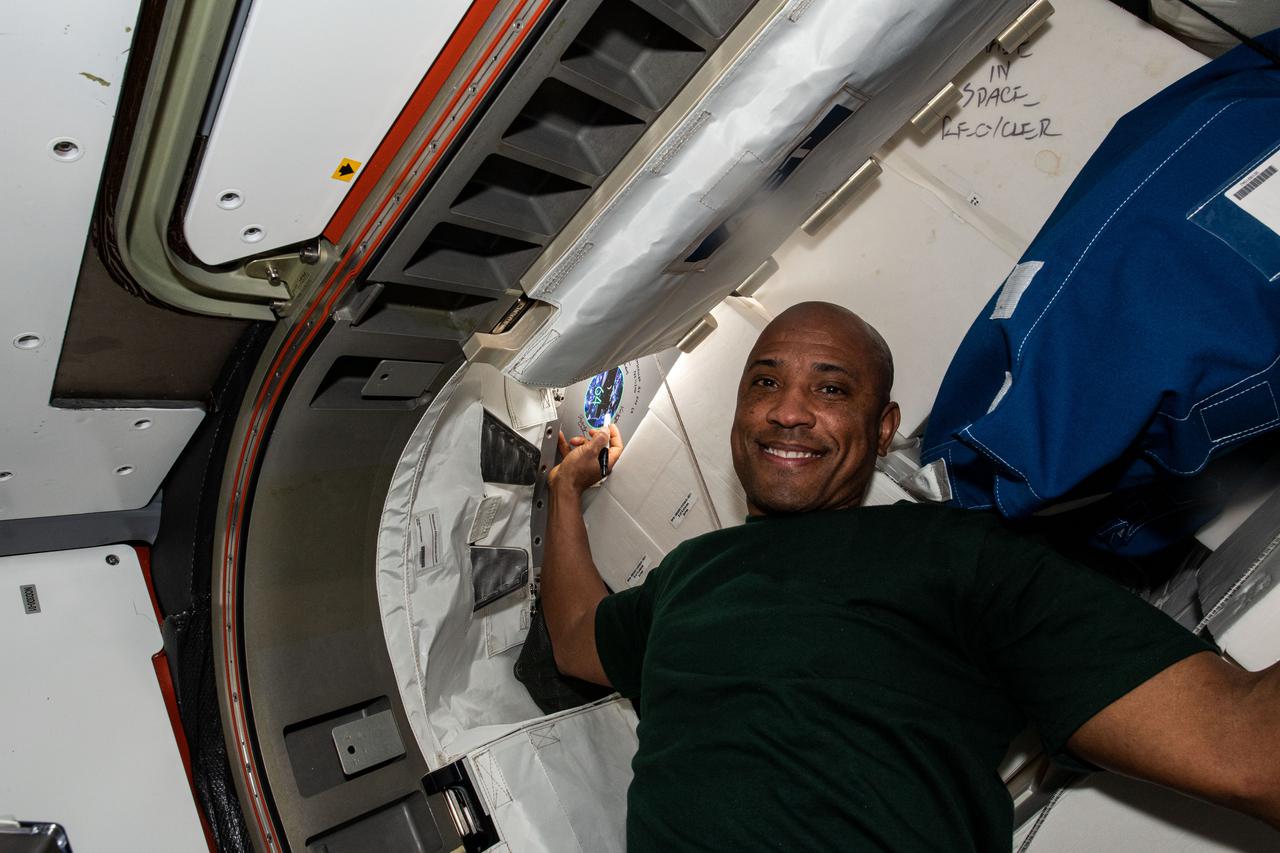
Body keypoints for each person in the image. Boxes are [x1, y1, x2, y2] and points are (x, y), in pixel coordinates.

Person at [542, 301, 1280, 851]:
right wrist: (565, 490)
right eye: (764, 382)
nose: (787, 411)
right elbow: (577, 635)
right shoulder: (689, 574)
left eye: (831, 390)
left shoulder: (965, 555)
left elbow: (1241, 744)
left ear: (886, 426)